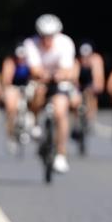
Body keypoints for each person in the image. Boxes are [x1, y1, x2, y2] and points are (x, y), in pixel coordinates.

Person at [23, 14, 77, 173]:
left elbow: (67, 70)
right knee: (37, 92)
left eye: (50, 36)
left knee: (61, 112)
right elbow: (35, 69)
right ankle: (35, 122)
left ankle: (61, 154)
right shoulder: (30, 44)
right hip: (40, 81)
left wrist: (59, 75)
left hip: (59, 81)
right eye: (43, 36)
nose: (47, 39)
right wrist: (46, 75)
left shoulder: (65, 43)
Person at [2, 42, 33, 151]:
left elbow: (35, 75)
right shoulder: (10, 62)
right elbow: (7, 79)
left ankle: (34, 123)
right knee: (11, 108)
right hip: (14, 86)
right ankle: (10, 136)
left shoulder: (31, 61)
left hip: (28, 85)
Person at [76, 42, 105, 124]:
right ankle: (77, 118)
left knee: (91, 93)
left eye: (87, 57)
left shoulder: (96, 60)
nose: (85, 59)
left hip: (90, 81)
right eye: (83, 57)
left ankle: (91, 117)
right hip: (80, 81)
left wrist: (96, 87)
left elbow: (98, 77)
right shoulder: (77, 61)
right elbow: (75, 77)